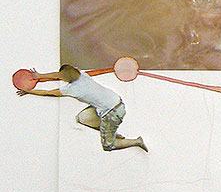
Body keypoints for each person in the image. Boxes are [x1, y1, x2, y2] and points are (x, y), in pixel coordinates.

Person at [17, 64, 147, 151]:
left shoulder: (72, 89)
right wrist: (40, 76)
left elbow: (48, 93)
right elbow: (58, 74)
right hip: (114, 102)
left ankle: (136, 141)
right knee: (83, 118)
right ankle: (112, 133)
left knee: (108, 145)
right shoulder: (83, 75)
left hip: (112, 112)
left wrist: (29, 91)